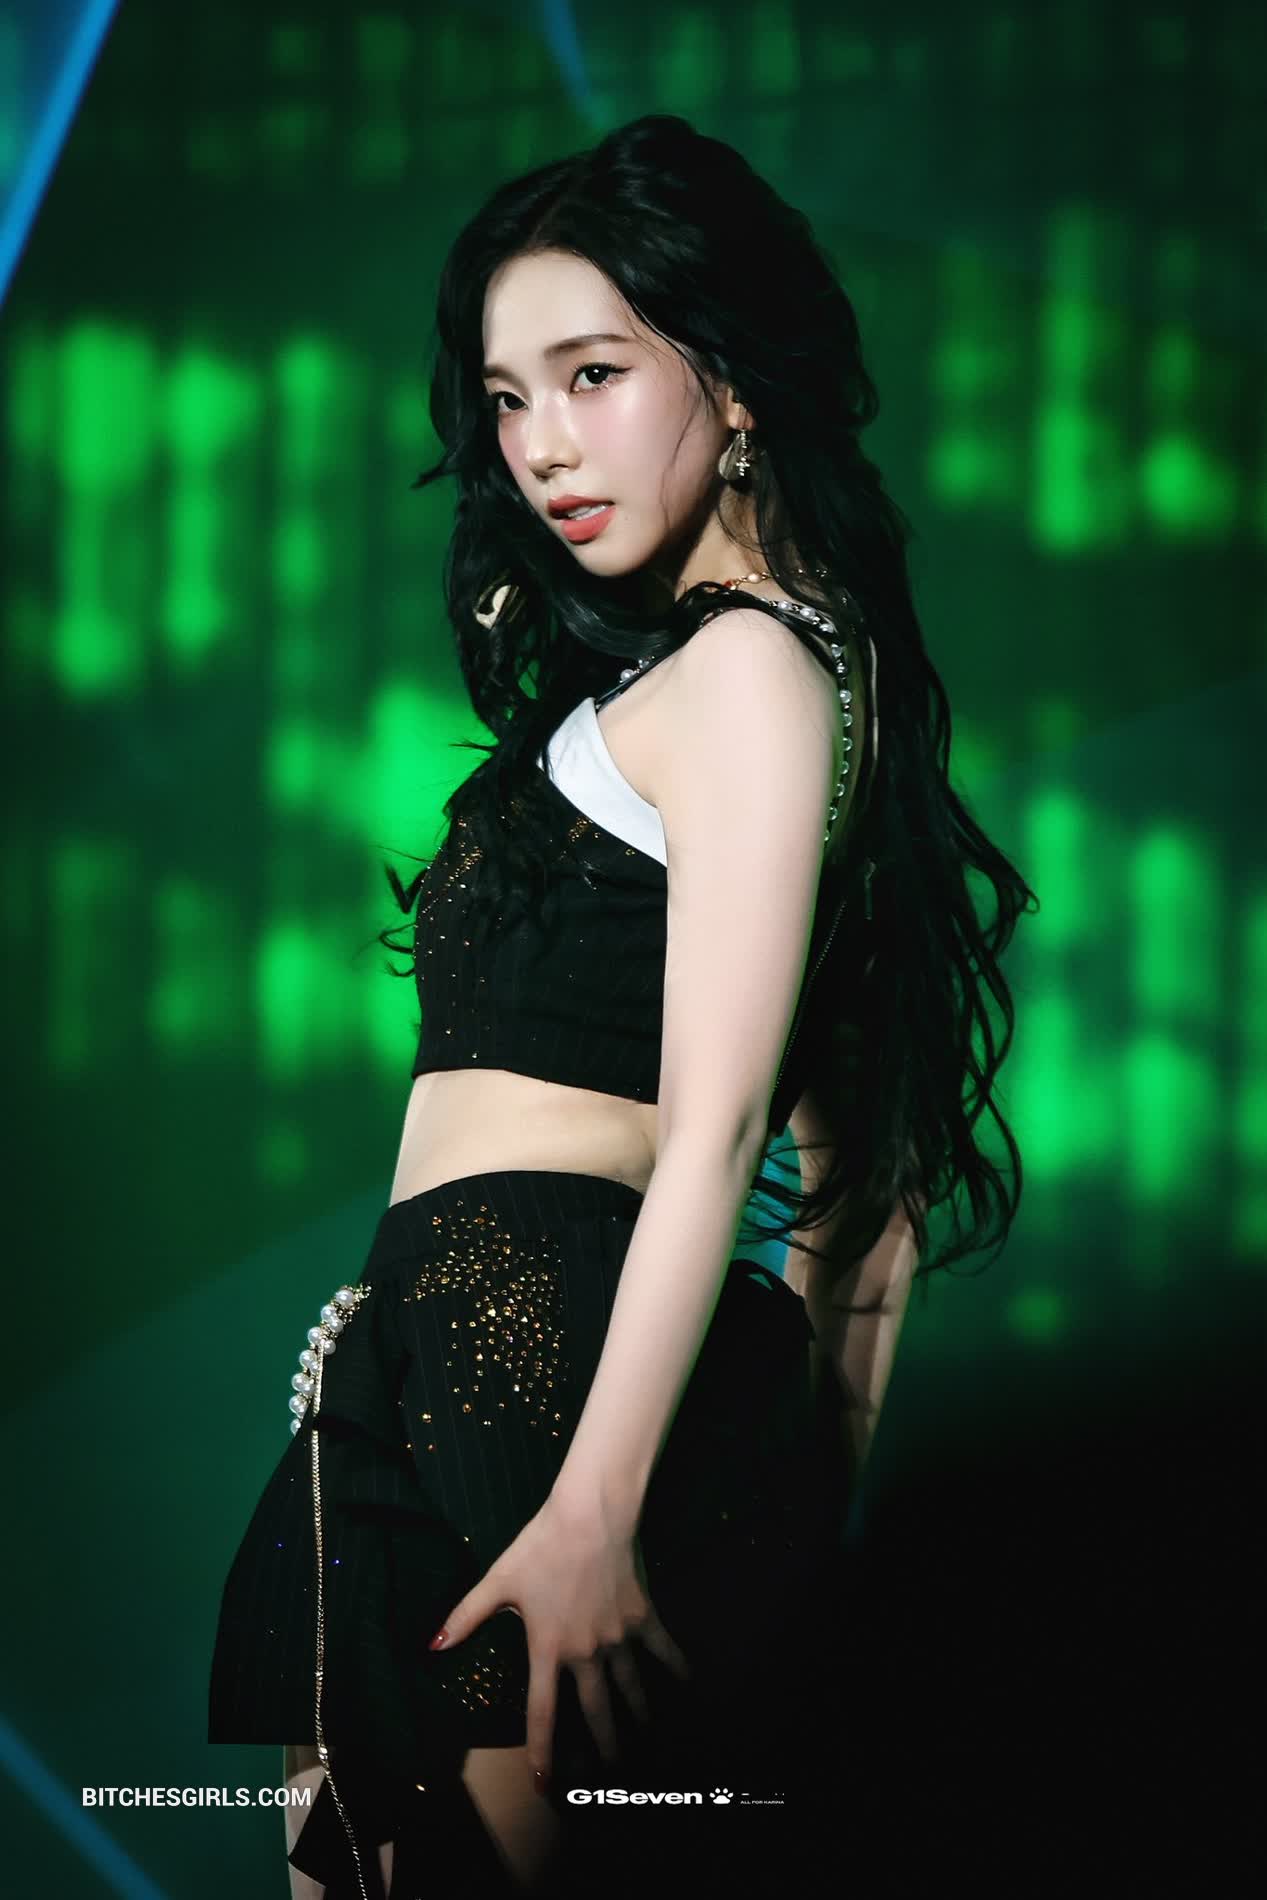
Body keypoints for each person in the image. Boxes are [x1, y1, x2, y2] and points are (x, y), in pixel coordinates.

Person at [208, 114, 1036, 1898]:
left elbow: (732, 1131)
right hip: (466, 1354)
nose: (541, 443)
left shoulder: (753, 673)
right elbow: (865, 1179)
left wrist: (602, 1509)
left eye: (592, 374)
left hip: (548, 1372)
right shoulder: (742, 672)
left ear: (730, 381)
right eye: (510, 398)